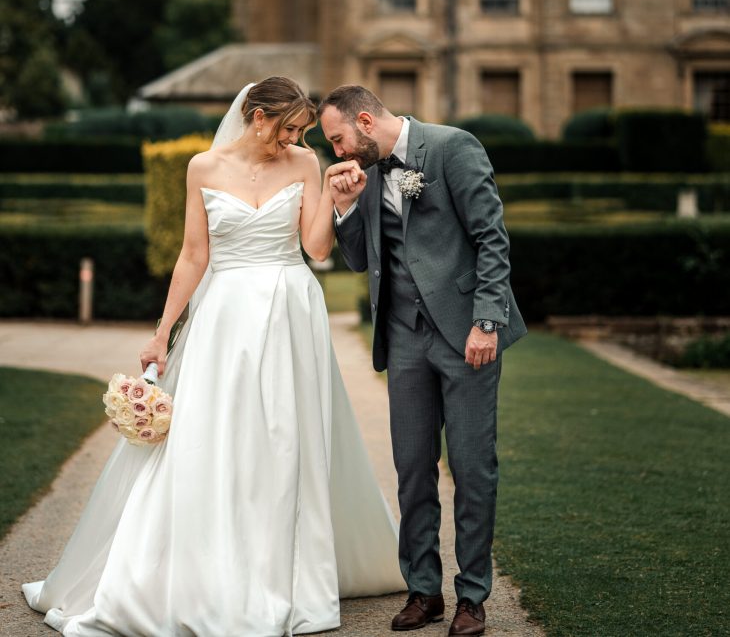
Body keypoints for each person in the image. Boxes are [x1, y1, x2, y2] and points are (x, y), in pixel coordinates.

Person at [23, 77, 403, 637]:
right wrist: (162, 333)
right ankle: (212, 566)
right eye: (287, 128)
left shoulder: (304, 164)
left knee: (285, 439)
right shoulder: (202, 167)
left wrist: (336, 194)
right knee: (215, 436)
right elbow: (193, 256)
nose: (294, 140)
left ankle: (284, 569)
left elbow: (316, 250)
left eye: (302, 132)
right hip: (224, 315)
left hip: (292, 311)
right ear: (255, 115)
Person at [318, 86, 527, 637]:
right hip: (404, 338)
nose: (338, 152)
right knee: (412, 471)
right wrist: (344, 207)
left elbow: (491, 238)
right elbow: (362, 259)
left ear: (365, 121)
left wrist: (487, 321)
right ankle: (424, 591)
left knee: (472, 469)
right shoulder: (363, 172)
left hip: (465, 337)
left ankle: (473, 598)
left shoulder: (453, 147)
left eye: (338, 139)